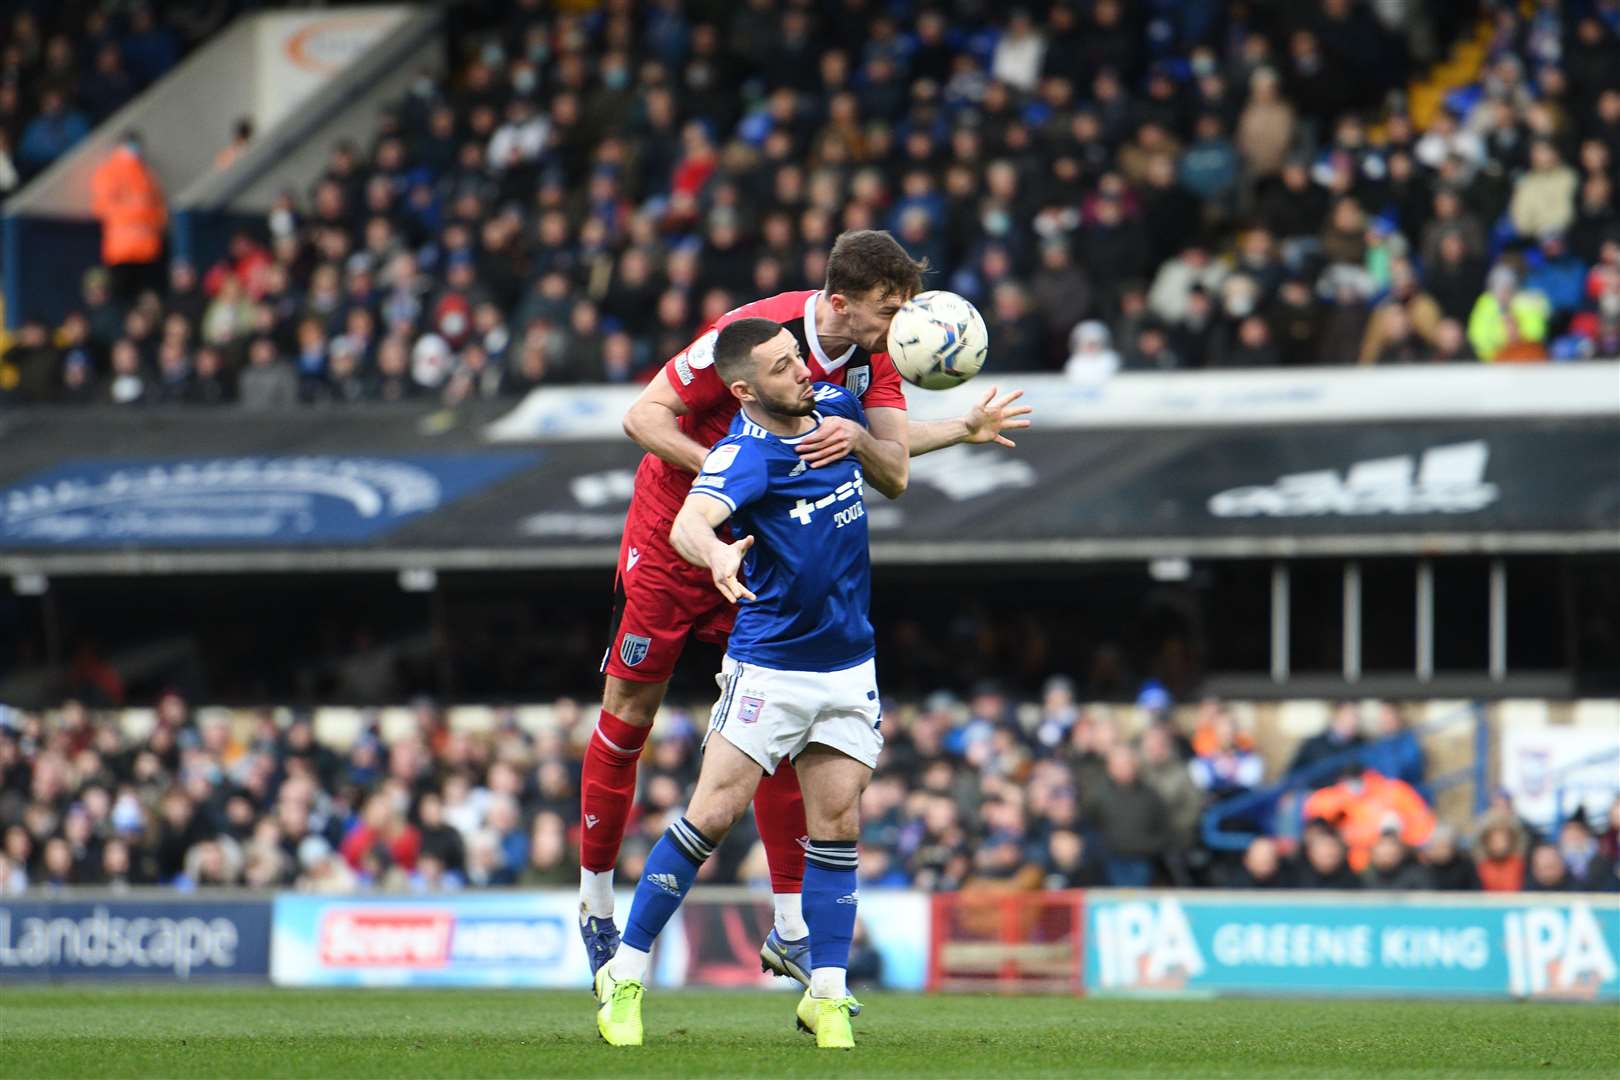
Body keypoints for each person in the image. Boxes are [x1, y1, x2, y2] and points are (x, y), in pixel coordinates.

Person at [578, 230, 1031, 987]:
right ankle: (595, 901)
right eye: (890, 309)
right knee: (630, 712)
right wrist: (736, 474)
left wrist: (949, 429)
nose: (902, 325)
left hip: (761, 546)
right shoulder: (756, 335)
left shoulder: (878, 355)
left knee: (780, 720)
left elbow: (890, 472)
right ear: (843, 304)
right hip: (674, 532)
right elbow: (643, 418)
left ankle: (790, 929)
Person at [593, 318, 885, 1049]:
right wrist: (718, 556)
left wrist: (964, 427)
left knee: (839, 827)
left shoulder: (835, 413)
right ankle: (625, 978)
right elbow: (691, 522)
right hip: (773, 666)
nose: (803, 374)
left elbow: (898, 461)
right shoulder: (743, 455)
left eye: (798, 358)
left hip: (849, 663)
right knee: (711, 817)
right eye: (785, 368)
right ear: (746, 389)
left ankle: (827, 994)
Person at [90, 131, 168, 303]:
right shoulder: (109, 172)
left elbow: (159, 208)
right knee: (122, 297)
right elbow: (102, 208)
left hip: (148, 248)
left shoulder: (147, 174)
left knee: (146, 299)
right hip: (121, 249)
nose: (133, 149)